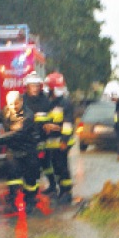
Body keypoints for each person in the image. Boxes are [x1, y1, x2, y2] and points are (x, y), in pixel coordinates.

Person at [0, 90, 39, 212]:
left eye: (16, 104)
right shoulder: (6, 110)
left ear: (22, 101)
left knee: (30, 179)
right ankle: (12, 202)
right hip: (13, 151)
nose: (13, 107)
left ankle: (30, 202)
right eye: (10, 104)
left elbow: (17, 133)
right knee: (13, 177)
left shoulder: (28, 116)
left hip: (27, 151)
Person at [43, 72, 76, 204]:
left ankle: (67, 192)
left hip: (62, 142)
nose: (48, 92)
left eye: (49, 89)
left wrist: (64, 141)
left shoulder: (65, 103)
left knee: (63, 167)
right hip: (52, 143)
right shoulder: (51, 102)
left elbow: (68, 125)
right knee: (56, 167)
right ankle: (61, 190)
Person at [21, 72, 50, 197]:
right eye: (32, 86)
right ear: (26, 87)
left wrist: (49, 125)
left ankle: (34, 192)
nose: (35, 88)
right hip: (26, 139)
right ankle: (29, 190)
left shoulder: (45, 100)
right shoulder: (22, 100)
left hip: (42, 138)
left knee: (40, 164)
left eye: (37, 86)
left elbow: (51, 117)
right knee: (27, 166)